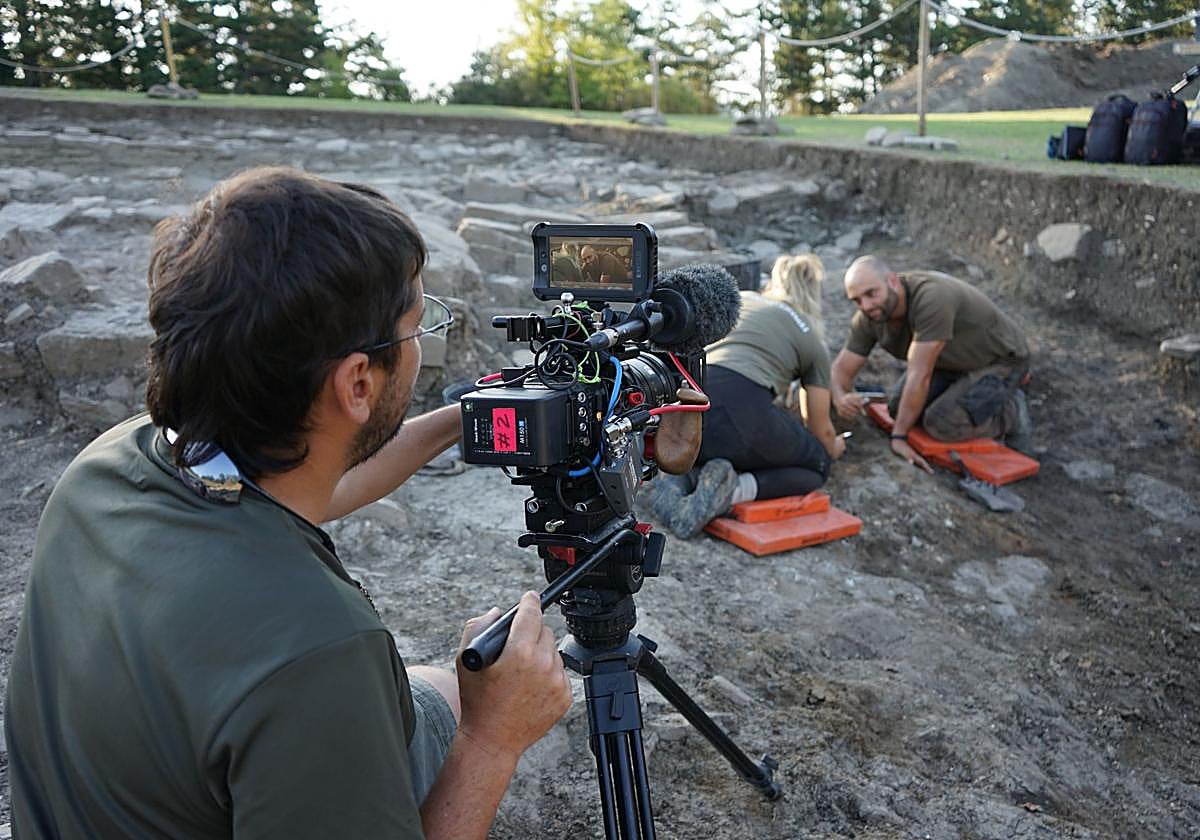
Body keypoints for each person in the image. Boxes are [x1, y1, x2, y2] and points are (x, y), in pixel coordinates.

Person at [4, 167, 573, 839]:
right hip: (296, 711)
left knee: (431, 693)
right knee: (460, 708)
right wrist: (491, 740)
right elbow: (311, 659)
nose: (422, 347)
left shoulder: (114, 463)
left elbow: (326, 482)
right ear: (358, 381)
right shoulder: (318, 649)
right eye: (418, 329)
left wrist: (466, 415)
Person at [644, 253, 845, 539]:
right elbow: (820, 428)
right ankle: (732, 490)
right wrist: (833, 446)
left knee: (718, 439)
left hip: (687, 400)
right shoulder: (809, 334)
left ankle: (682, 477)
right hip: (741, 404)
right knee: (817, 464)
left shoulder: (745, 298)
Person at [830, 255, 1032, 474]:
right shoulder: (868, 316)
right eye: (857, 300)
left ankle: (1012, 412)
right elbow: (840, 369)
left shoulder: (931, 298)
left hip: (999, 359)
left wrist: (899, 438)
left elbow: (920, 375)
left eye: (871, 293)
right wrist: (840, 397)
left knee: (943, 424)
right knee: (898, 410)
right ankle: (961, 394)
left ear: (893, 281)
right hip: (948, 360)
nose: (866, 305)